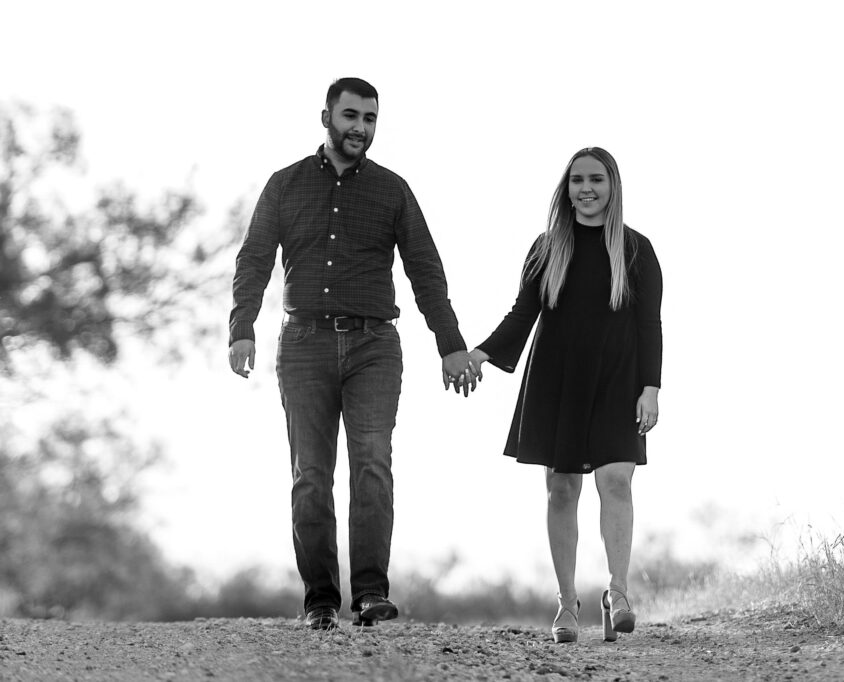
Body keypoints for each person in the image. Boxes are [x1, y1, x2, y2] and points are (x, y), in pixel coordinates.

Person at [228, 77, 480, 631]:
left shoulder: (392, 191)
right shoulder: (285, 185)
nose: (360, 128)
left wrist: (451, 346)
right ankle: (320, 599)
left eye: (369, 118)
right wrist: (241, 327)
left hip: (373, 348)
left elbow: (425, 272)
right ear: (326, 117)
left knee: (372, 466)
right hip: (303, 346)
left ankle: (370, 594)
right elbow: (253, 260)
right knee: (311, 475)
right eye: (350, 116)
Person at [469, 147, 662, 643]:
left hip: (618, 379)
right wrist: (483, 354)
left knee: (616, 481)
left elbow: (649, 325)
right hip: (558, 379)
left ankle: (618, 591)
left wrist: (651, 387)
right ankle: (567, 603)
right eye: (577, 180)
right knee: (561, 489)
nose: (587, 188)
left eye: (596, 179)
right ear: (566, 188)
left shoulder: (637, 250)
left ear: (613, 185)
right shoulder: (546, 247)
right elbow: (522, 314)